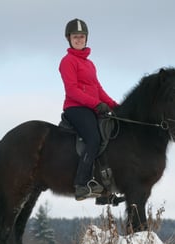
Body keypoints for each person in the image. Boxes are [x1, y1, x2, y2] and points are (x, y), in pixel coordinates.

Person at [59, 18, 118, 201]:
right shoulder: (67, 61)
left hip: (91, 107)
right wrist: (96, 104)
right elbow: (72, 90)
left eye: (82, 36)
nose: (79, 39)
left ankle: (104, 190)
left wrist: (115, 106)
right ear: (69, 39)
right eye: (75, 37)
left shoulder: (90, 64)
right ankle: (81, 184)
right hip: (76, 108)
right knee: (93, 139)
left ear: (86, 39)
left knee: (108, 137)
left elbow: (98, 89)